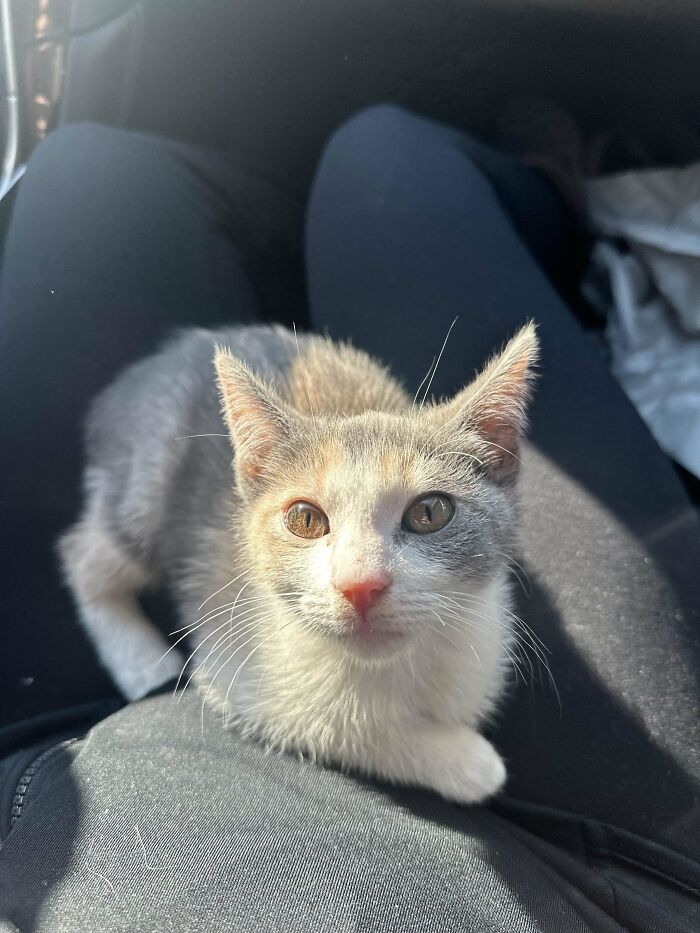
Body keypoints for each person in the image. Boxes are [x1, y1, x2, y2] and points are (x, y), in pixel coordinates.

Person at [0, 105, 698, 931]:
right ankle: (545, 200)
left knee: (88, 163)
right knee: (374, 152)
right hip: (636, 863)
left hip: (37, 763)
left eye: (427, 512)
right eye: (308, 523)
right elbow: (238, 671)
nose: (360, 578)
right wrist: (425, 752)